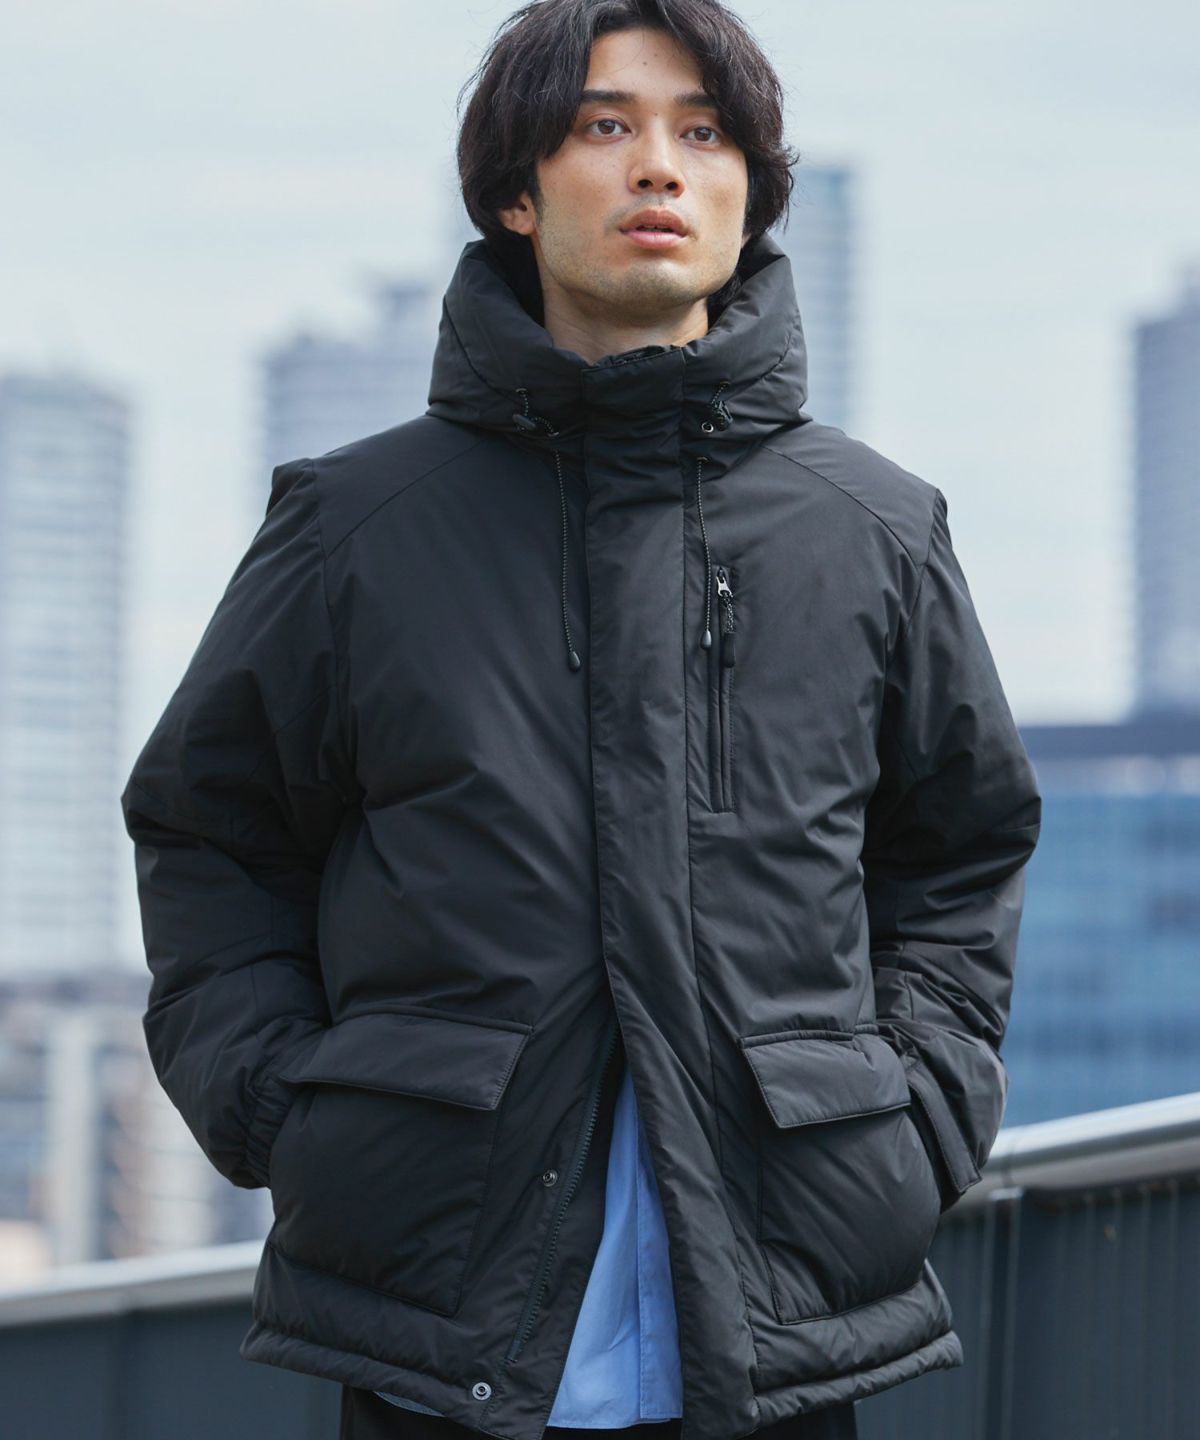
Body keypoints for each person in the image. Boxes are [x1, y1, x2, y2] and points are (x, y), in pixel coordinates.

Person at [119, 1, 1042, 1438]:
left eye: (705, 133)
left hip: (780, 1322)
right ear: (515, 192)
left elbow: (960, 850)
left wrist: (917, 1111)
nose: (659, 165)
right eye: (605, 125)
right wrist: (284, 1105)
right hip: (441, 1320)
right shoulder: (355, 527)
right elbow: (208, 832)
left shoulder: (874, 531)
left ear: (751, 193)